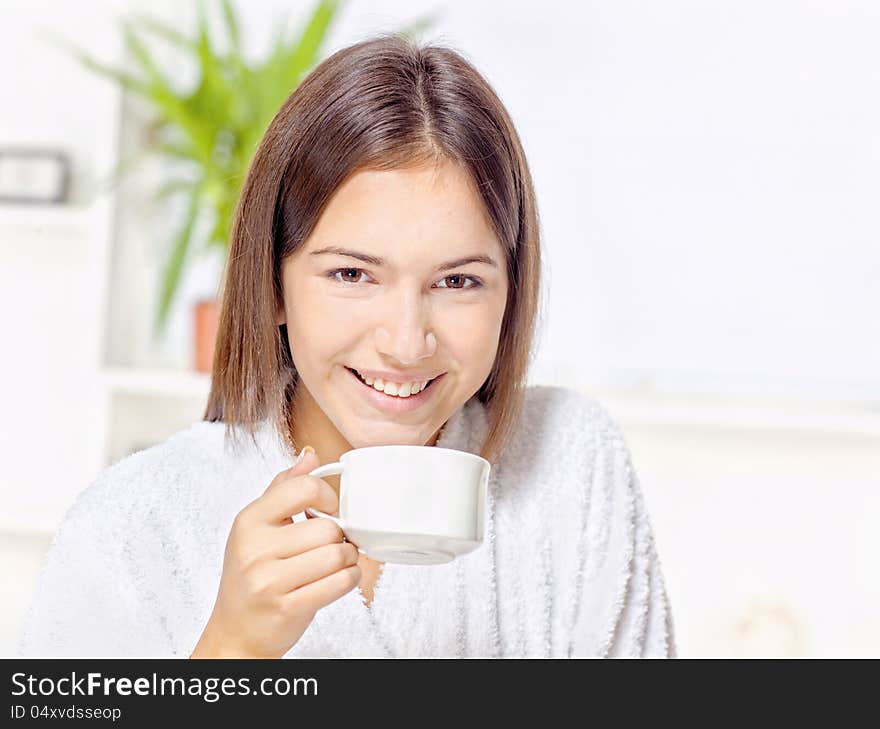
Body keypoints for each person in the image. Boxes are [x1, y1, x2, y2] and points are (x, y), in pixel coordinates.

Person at [18, 34, 676, 658]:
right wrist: (230, 648)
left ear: (511, 288)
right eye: (353, 275)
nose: (405, 341)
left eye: (458, 280)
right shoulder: (136, 521)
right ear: (273, 283)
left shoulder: (568, 468)